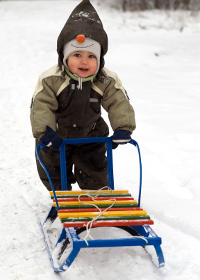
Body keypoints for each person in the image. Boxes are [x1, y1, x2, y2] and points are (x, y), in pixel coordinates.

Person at [30, 0, 136, 191]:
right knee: (53, 166)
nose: (84, 62)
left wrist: (123, 128)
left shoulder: (105, 80)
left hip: (91, 134)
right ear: (65, 56)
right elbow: (41, 105)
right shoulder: (51, 79)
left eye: (91, 56)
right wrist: (45, 132)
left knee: (94, 169)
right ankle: (59, 194)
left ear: (100, 59)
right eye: (77, 55)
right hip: (57, 135)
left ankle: (96, 195)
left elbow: (118, 101)